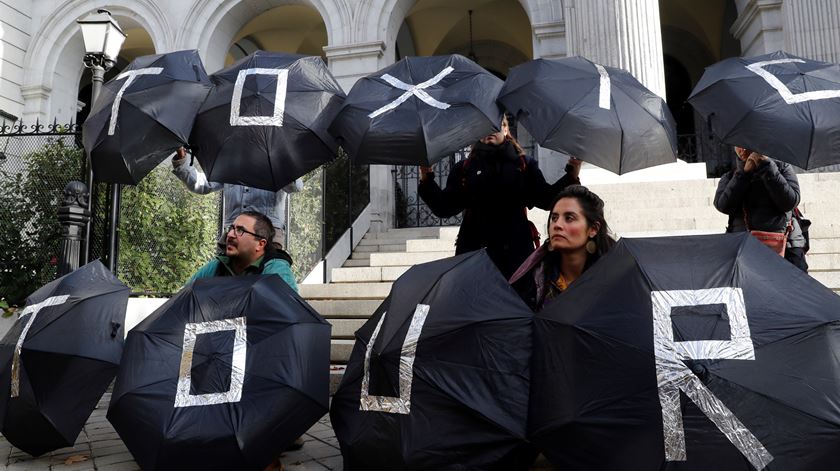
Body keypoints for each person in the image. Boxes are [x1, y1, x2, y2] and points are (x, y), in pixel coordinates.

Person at [417, 115, 582, 280]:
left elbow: (547, 199)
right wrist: (426, 176)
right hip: (475, 254)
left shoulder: (524, 165)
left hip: (516, 254)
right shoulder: (464, 169)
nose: (488, 132)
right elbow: (444, 207)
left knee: (517, 302)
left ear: (505, 129)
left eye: (494, 126)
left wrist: (572, 173)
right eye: (482, 127)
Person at [173, 147, 303, 252]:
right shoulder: (231, 162)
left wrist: (283, 163)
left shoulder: (277, 159)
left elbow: (295, 186)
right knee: (224, 279)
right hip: (235, 232)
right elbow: (202, 185)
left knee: (267, 279)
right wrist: (182, 158)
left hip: (268, 235)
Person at [510, 185, 616, 311]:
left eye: (569, 218)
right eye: (554, 218)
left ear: (593, 229)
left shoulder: (615, 279)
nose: (557, 225)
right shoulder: (531, 279)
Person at [713, 147, 807, 272]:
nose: (741, 149)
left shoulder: (782, 167)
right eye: (737, 145)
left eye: (744, 144)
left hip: (787, 245)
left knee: (794, 289)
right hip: (743, 247)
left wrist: (766, 166)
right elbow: (723, 206)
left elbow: (790, 202)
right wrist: (743, 174)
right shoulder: (731, 176)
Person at [186, 210, 297, 291]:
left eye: (240, 230)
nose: (229, 235)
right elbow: (185, 295)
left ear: (260, 244)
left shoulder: (276, 270)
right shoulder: (218, 265)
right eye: (231, 229)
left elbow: (288, 313)